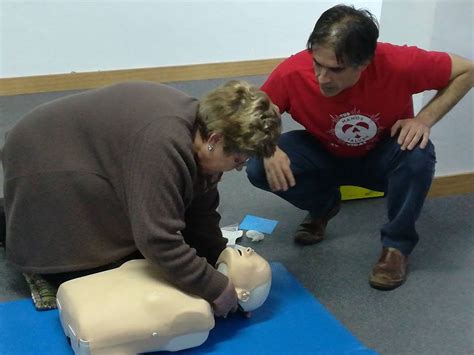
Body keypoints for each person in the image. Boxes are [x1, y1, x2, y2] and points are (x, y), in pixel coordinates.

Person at [1, 80, 281, 316]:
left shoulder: (202, 134)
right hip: (44, 159)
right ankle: (26, 239)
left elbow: (201, 212)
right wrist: (216, 289)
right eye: (238, 158)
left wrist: (220, 257)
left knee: (156, 245)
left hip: (87, 150)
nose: (241, 166)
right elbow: (157, 240)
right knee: (108, 278)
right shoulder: (163, 145)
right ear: (216, 139)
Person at [246, 4, 474, 290]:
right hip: (323, 153)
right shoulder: (292, 71)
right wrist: (267, 147)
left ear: (364, 63)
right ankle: (323, 206)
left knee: (418, 152)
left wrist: (424, 119)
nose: (321, 77)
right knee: (258, 166)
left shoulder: (398, 62)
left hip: (380, 156)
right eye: (317, 63)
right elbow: (252, 117)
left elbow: (467, 70)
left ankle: (396, 246)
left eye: (335, 69)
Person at [56, 244, 272, 354]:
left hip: (86, 324)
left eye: (256, 264)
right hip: (84, 317)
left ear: (243, 294)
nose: (250, 250)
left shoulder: (198, 314)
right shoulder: (191, 273)